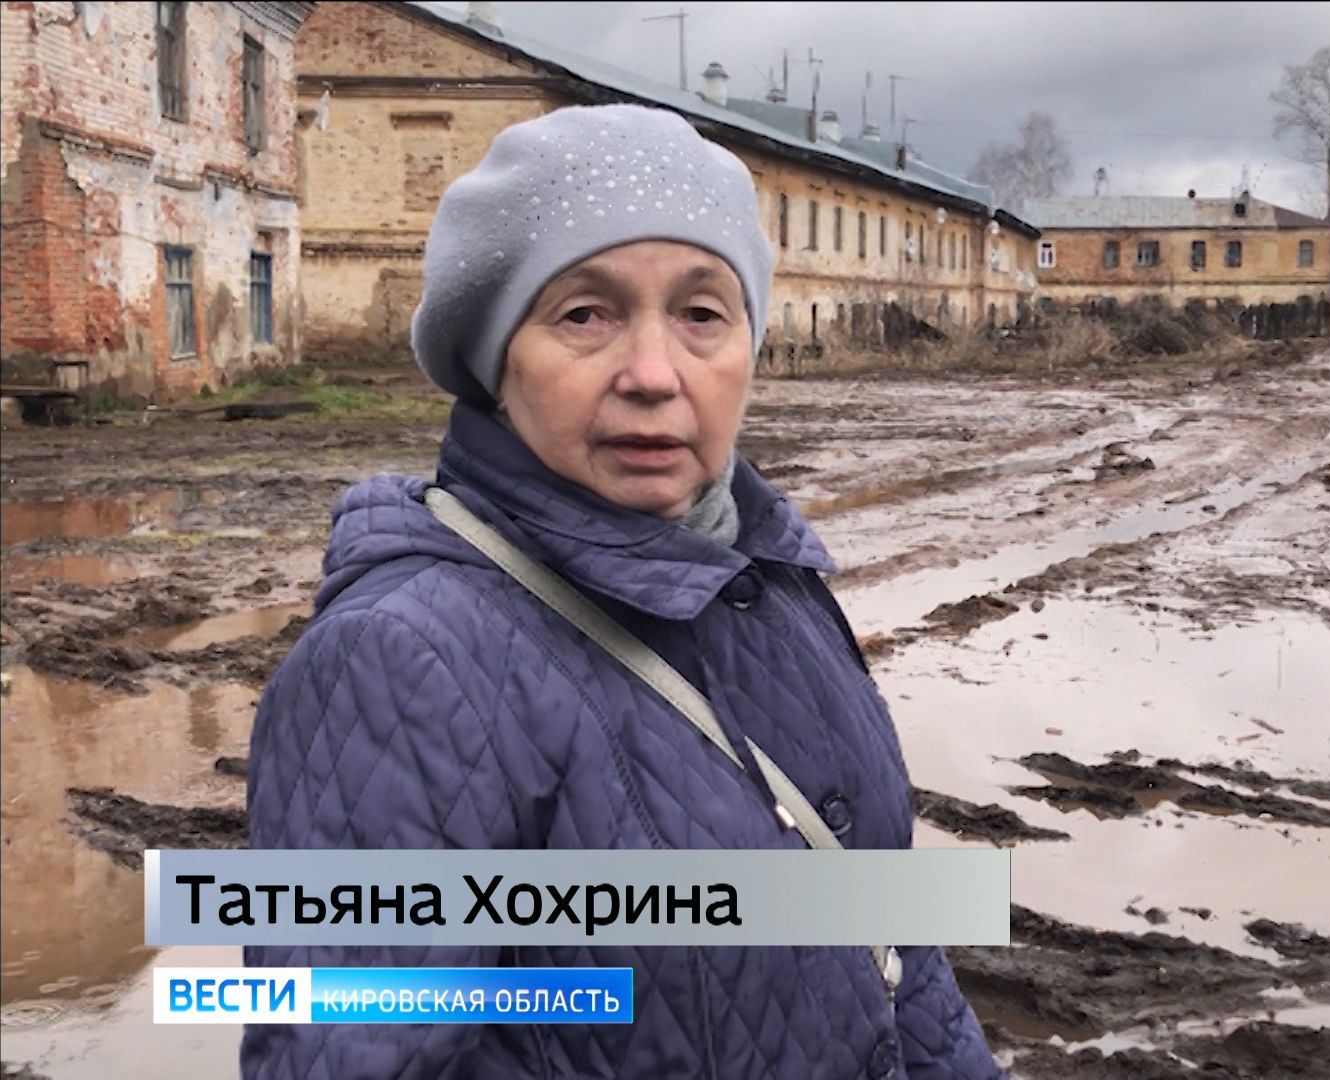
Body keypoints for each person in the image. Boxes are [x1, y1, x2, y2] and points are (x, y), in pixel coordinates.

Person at [243, 104, 1001, 1080]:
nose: (653, 374)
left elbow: (888, 949)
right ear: (495, 356)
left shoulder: (771, 584)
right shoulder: (400, 666)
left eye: (700, 314)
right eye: (584, 314)